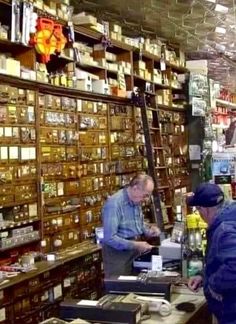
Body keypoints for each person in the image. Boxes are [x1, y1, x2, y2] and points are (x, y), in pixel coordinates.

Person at [187, 182, 236, 324]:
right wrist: (203, 276)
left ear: (204, 210)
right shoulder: (229, 217)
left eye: (197, 209)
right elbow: (221, 260)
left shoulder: (225, 229)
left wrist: (212, 284)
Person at [102, 173, 161, 278]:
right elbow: (109, 238)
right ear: (135, 188)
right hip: (118, 255)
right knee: (120, 289)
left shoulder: (136, 201)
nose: (146, 199)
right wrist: (136, 245)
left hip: (134, 251)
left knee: (134, 288)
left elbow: (137, 223)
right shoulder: (114, 204)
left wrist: (148, 230)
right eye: (145, 195)